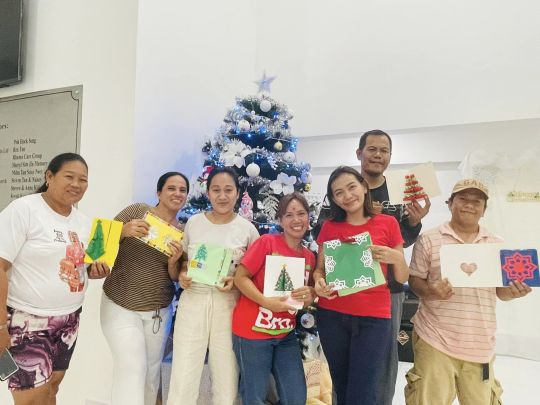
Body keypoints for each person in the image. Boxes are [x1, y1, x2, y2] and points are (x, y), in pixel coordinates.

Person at [405, 179, 531, 405]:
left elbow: (500, 292)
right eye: (463, 199)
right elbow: (414, 280)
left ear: (484, 209)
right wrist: (431, 292)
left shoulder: (496, 245)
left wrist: (513, 292)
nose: (469, 205)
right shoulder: (428, 239)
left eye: (477, 201)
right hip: (434, 339)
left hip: (480, 343)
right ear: (450, 203)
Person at [0, 152, 109, 405]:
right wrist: (0, 327)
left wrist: (94, 271)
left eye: (83, 180)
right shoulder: (24, 210)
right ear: (49, 176)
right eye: (69, 176)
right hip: (26, 321)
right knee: (32, 399)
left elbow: (82, 268)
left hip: (68, 320)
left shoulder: (84, 223)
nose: (76, 184)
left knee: (51, 389)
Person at [313, 166, 409, 405]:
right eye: (339, 193)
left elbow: (402, 277)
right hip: (332, 315)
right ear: (334, 199)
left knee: (363, 389)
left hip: (373, 318)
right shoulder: (329, 227)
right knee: (341, 384)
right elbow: (319, 270)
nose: (347, 196)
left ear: (364, 187)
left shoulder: (388, 223)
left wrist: (396, 258)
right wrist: (318, 282)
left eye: (351, 187)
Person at [167, 167, 260, 405]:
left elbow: (256, 273)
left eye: (228, 190)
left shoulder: (247, 230)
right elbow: (185, 262)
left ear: (237, 193)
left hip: (229, 304)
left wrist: (236, 282)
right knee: (183, 373)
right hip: (193, 299)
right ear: (207, 193)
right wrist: (183, 274)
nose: (222, 196)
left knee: (226, 375)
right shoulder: (194, 223)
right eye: (216, 190)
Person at [100, 171, 189, 405]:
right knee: (131, 369)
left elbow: (174, 277)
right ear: (159, 192)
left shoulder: (182, 232)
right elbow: (100, 242)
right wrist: (123, 231)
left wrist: (174, 262)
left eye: (182, 190)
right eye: (171, 188)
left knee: (151, 375)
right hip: (120, 304)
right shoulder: (137, 211)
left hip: (158, 311)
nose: (177, 193)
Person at [356, 129, 431, 405]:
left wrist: (414, 221)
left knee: (386, 356)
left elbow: (404, 241)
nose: (378, 155)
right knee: (350, 353)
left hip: (390, 287)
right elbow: (327, 232)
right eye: (372, 149)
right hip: (351, 283)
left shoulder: (400, 191)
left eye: (384, 150)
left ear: (390, 155)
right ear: (359, 153)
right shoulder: (348, 188)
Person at [232, 192, 316, 405]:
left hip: (284, 334)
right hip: (252, 333)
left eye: (301, 214)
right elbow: (240, 278)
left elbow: (305, 298)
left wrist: (309, 296)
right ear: (280, 220)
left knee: (295, 397)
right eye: (289, 215)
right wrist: (266, 302)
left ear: (308, 217)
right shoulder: (267, 243)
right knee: (255, 397)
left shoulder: (309, 256)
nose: (296, 220)